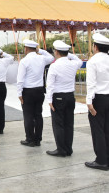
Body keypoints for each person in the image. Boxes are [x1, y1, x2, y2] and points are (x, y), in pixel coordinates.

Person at [45, 40, 82, 157]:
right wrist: (68, 53)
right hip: (70, 96)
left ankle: (61, 150)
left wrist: (49, 100)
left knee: (58, 124)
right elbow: (79, 60)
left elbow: (50, 84)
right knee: (69, 124)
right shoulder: (73, 63)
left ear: (56, 52)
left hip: (58, 97)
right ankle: (68, 149)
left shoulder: (54, 66)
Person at [17, 39, 54, 147]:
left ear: (26, 48)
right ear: (35, 49)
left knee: (28, 116)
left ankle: (30, 139)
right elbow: (51, 58)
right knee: (38, 115)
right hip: (39, 90)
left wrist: (19, 93)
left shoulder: (24, 61)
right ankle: (38, 139)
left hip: (28, 91)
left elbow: (20, 79)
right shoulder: (42, 58)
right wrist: (41, 50)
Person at [85, 33, 109, 170]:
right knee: (107, 129)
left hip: (98, 99)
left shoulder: (93, 61)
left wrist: (89, 102)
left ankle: (101, 160)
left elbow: (91, 84)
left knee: (98, 130)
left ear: (95, 47)